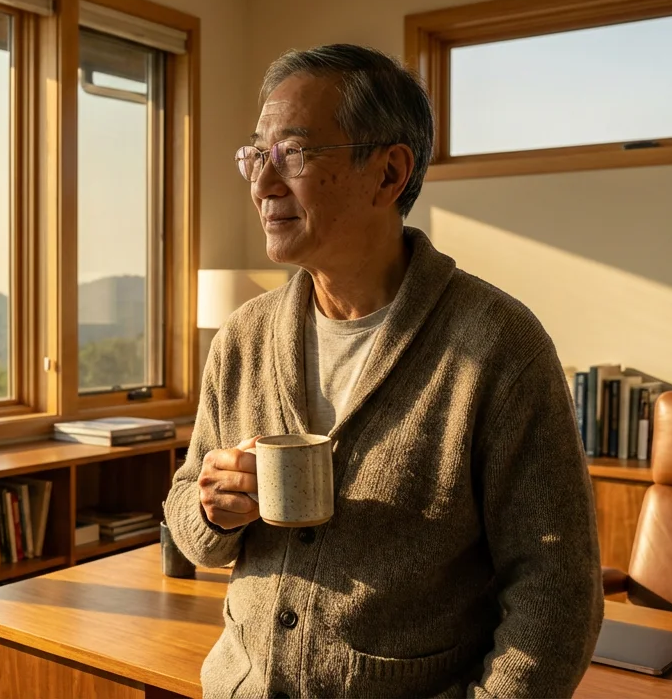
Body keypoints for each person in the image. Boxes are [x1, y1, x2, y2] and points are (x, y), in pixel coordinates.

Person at [163, 44, 602, 698]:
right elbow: (189, 521)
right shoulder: (243, 338)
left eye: (296, 153)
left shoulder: (498, 349)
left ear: (389, 173)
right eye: (257, 154)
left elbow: (556, 593)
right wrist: (210, 509)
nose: (262, 183)